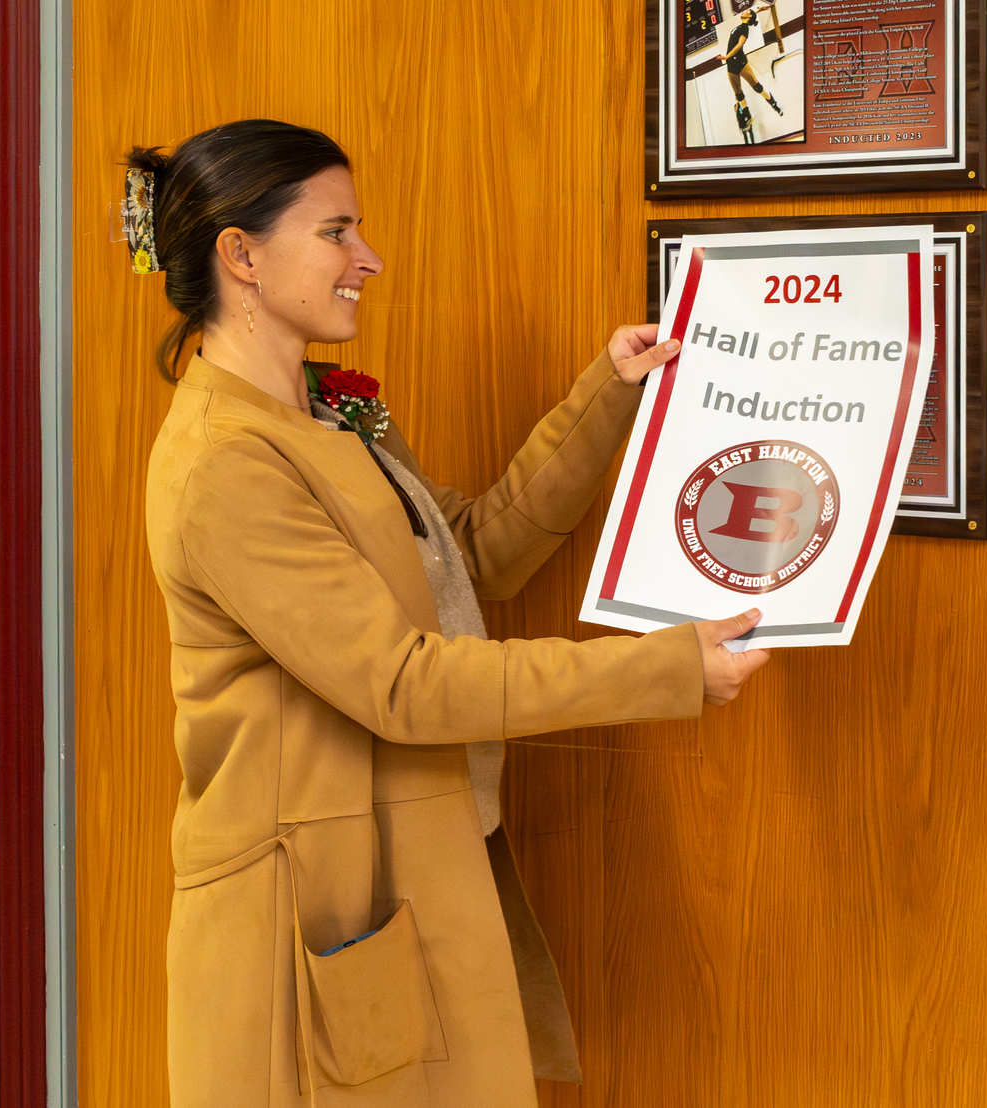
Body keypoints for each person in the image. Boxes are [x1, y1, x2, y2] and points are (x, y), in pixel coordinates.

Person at [131, 119, 770, 1108]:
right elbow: (403, 681)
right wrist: (665, 668)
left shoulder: (337, 410)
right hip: (314, 917)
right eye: (337, 232)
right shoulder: (224, 462)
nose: (367, 259)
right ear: (241, 254)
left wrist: (610, 396)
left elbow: (465, 558)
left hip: (415, 869)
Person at [718, 7, 784, 137]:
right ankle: (747, 115)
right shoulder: (741, 25)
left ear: (748, 18)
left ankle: (774, 103)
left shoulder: (744, 28)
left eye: (747, 12)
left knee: (756, 86)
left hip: (739, 61)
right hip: (731, 64)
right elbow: (751, 17)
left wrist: (727, 56)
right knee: (738, 93)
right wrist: (758, 11)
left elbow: (739, 45)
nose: (744, 11)